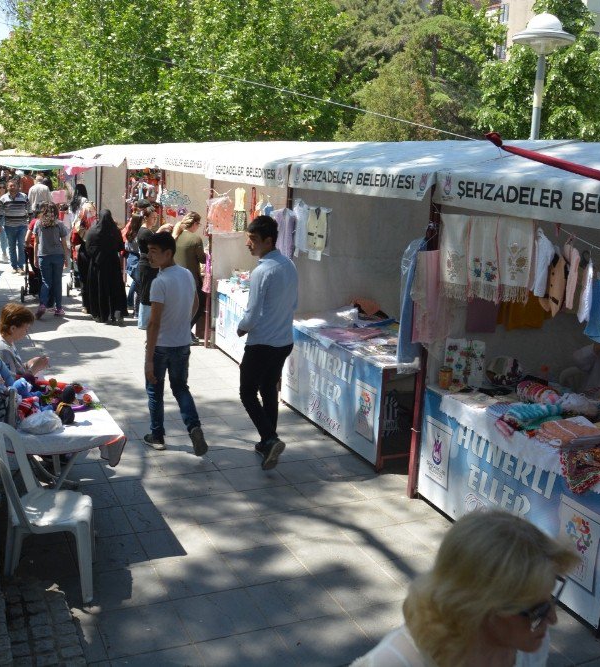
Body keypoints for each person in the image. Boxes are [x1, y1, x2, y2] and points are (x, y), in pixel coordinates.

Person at [352, 509, 580, 667]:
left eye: (550, 598)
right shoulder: (393, 662)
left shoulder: (529, 645)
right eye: (536, 610)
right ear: (479, 607)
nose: (552, 619)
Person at [237, 215, 298, 471]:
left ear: (269, 240)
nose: (248, 244)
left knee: (248, 392)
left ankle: (270, 438)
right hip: (283, 340)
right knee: (268, 388)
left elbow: (252, 313)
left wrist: (242, 328)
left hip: (262, 342)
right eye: (248, 239)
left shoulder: (263, 271)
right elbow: (293, 303)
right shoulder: (288, 265)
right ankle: (267, 441)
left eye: (253, 240)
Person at [142, 231, 208, 456]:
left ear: (168, 253)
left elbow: (154, 324)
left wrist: (148, 360)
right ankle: (194, 427)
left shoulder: (160, 282)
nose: (149, 256)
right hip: (182, 344)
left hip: (161, 346)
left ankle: (157, 435)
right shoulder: (187, 274)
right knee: (181, 388)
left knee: (154, 391)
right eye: (148, 251)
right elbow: (196, 303)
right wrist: (183, 325)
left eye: (154, 252)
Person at [25, 202, 69, 319]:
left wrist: (35, 257)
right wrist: (66, 258)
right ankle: (59, 308)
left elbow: (35, 243)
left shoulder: (38, 224)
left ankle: (43, 304)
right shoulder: (59, 224)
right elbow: (64, 243)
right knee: (57, 282)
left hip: (43, 255)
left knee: (46, 282)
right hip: (57, 255)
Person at [84, 209, 127, 324]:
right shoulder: (115, 231)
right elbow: (120, 247)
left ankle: (99, 313)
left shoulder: (92, 231)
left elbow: (88, 248)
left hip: (97, 265)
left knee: (98, 288)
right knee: (114, 288)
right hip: (112, 264)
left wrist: (97, 255)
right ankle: (116, 311)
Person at [0, 303, 50, 377]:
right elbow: (14, 383)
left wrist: (27, 364)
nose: (27, 332)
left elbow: (16, 369)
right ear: (13, 328)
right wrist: (35, 368)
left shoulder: (5, 339)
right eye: (26, 329)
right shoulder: (3, 350)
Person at [172, 212, 207, 344]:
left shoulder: (176, 235)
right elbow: (202, 260)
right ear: (194, 223)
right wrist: (208, 256)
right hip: (190, 279)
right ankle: (185, 331)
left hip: (176, 278)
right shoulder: (195, 239)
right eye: (199, 224)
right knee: (199, 305)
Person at [134, 201, 161, 330]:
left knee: (147, 291)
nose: (155, 220)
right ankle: (143, 322)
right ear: (146, 218)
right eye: (153, 218)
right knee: (146, 292)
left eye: (156, 218)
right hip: (147, 265)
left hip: (148, 264)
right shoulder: (145, 232)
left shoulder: (147, 231)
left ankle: (145, 320)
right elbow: (156, 245)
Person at [0, 178, 31, 273]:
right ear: (7, 187)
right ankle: (14, 266)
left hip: (22, 226)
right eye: (10, 186)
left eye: (14, 185)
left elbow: (30, 211)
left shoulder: (24, 197)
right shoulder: (3, 198)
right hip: (9, 226)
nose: (12, 187)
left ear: (18, 187)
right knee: (11, 246)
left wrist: (31, 224)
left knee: (21, 245)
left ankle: (21, 266)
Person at [122, 211, 144, 312]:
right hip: (136, 258)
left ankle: (129, 302)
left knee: (136, 281)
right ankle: (130, 302)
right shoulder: (138, 234)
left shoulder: (130, 233)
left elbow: (126, 246)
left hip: (131, 257)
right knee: (137, 282)